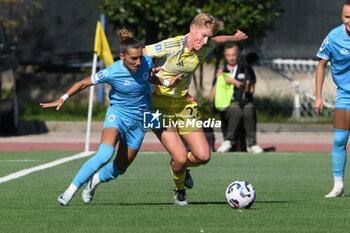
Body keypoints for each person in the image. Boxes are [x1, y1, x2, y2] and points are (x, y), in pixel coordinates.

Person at [40, 29, 181, 206]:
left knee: (120, 168)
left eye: (139, 57)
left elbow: (149, 77)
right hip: (118, 114)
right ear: (122, 56)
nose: (138, 62)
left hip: (140, 120)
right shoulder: (112, 72)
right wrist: (63, 98)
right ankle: (69, 192)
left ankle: (94, 182)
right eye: (133, 59)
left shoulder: (145, 61)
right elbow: (83, 83)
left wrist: (168, 82)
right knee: (104, 154)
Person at [314, 0, 350, 198]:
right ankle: (338, 186)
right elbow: (321, 65)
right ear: (342, 17)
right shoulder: (333, 37)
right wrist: (318, 96)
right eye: (347, 17)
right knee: (340, 140)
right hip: (345, 97)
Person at [211, 43, 263, 153]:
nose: (231, 58)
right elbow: (213, 93)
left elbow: (251, 89)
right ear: (225, 55)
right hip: (227, 104)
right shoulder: (221, 71)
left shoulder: (246, 69)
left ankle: (252, 144)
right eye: (228, 55)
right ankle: (228, 141)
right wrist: (218, 80)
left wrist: (234, 82)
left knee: (248, 108)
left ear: (238, 54)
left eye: (233, 55)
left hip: (245, 101)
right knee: (236, 109)